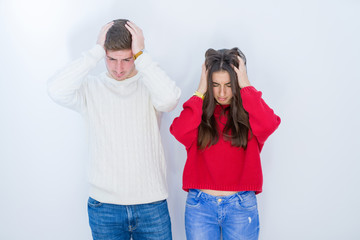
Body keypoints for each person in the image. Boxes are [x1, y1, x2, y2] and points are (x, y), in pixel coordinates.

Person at [47, 19, 181, 240]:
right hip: (104, 207)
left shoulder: (149, 85)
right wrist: (96, 51)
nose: (119, 68)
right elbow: (55, 90)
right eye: (111, 59)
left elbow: (169, 99)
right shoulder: (91, 88)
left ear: (135, 55)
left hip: (151, 205)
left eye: (127, 59)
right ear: (104, 55)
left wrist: (142, 56)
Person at [170, 48, 281, 240]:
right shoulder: (198, 113)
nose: (222, 92)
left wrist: (245, 84)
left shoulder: (250, 114)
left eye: (229, 85)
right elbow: (179, 131)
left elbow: (270, 124)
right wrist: (200, 90)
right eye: (215, 84)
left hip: (241, 205)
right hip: (200, 207)